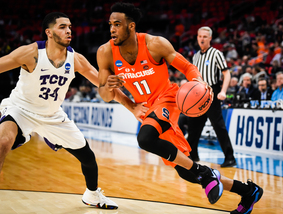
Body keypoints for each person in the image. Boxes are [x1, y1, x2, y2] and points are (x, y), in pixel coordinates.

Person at [97, 3, 263, 213]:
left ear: (131, 26)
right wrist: (123, 99)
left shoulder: (154, 44)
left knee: (145, 139)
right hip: (147, 110)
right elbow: (104, 94)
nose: (112, 29)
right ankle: (248, 192)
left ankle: (204, 172)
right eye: (110, 24)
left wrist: (199, 83)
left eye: (117, 24)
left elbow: (187, 67)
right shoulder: (105, 52)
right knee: (186, 170)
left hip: (168, 99)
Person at [0, 12, 118, 210]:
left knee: (88, 157)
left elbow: (103, 84)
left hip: (52, 115)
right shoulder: (30, 53)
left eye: (70, 27)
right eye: (62, 27)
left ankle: (92, 195)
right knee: (3, 140)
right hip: (20, 109)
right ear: (49, 32)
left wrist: (130, 100)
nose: (68, 30)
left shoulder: (76, 59)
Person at [187, 26, 236, 167]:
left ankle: (230, 157)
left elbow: (226, 73)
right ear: (197, 37)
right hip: (197, 93)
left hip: (212, 92)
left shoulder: (216, 54)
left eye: (204, 37)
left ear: (210, 38)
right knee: (193, 126)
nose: (201, 39)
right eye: (199, 36)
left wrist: (223, 91)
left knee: (218, 125)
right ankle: (193, 155)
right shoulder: (195, 56)